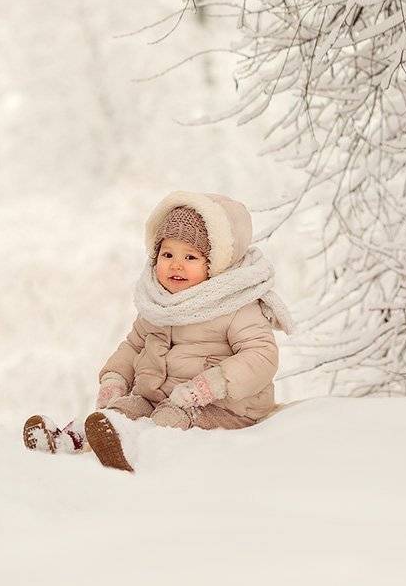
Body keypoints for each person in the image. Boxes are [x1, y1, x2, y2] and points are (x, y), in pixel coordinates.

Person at [22, 190, 295, 471]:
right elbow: (133, 345)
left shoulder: (236, 305)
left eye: (190, 257)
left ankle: (131, 452)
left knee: (168, 420)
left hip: (224, 407)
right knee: (122, 411)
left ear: (216, 264)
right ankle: (70, 442)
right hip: (157, 397)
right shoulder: (159, 304)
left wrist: (209, 386)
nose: (176, 264)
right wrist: (114, 379)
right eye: (167, 254)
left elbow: (261, 355)